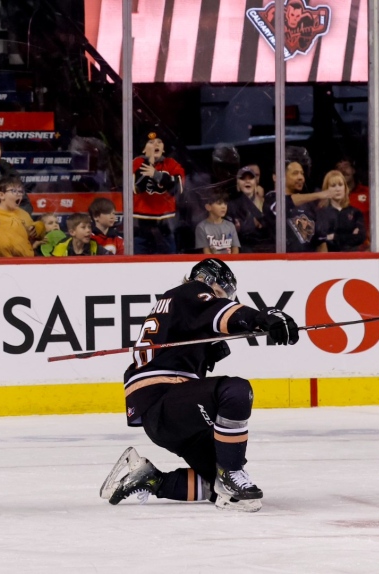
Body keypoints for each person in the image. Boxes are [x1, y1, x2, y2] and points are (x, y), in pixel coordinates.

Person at [100, 259, 300, 512]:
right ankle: (231, 473)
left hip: (167, 412)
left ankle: (151, 479)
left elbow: (193, 329)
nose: (221, 299)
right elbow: (222, 313)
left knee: (227, 490)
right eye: (220, 293)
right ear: (206, 279)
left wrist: (205, 350)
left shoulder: (174, 304)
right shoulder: (190, 291)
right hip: (164, 399)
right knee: (235, 391)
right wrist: (264, 317)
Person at [132, 133, 185, 254]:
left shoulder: (171, 164)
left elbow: (178, 188)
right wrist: (149, 162)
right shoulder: (136, 163)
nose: (156, 144)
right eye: (151, 142)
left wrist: (156, 175)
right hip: (141, 227)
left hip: (166, 226)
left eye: (159, 142)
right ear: (144, 149)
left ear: (164, 148)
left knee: (169, 264)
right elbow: (138, 188)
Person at [264, 161, 330, 252]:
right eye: (295, 173)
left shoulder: (309, 205)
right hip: (282, 263)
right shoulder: (271, 199)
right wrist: (318, 195)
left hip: (308, 263)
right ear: (277, 177)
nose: (301, 178)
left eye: (302, 173)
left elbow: (320, 242)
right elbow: (285, 203)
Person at [0, 177, 37, 257]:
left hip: (25, 262)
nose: (18, 194)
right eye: (14, 191)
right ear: (1, 195)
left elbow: (34, 238)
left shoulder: (24, 214)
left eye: (20, 191)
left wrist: (37, 230)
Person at [316, 170, 367, 252]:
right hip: (328, 259)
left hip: (351, 258)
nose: (337, 189)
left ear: (345, 188)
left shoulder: (355, 212)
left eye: (340, 185)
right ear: (326, 189)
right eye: (333, 186)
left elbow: (360, 237)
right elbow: (320, 239)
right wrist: (349, 235)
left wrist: (334, 237)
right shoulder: (320, 213)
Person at [227, 165, 270, 253]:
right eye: (243, 179)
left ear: (255, 182)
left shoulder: (266, 203)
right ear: (238, 183)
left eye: (250, 178)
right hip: (244, 251)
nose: (247, 181)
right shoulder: (231, 206)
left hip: (266, 250)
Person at [335, 158, 370, 233]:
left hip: (368, 243)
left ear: (353, 170)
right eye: (339, 168)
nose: (343, 171)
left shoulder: (369, 192)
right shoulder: (331, 197)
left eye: (346, 166)